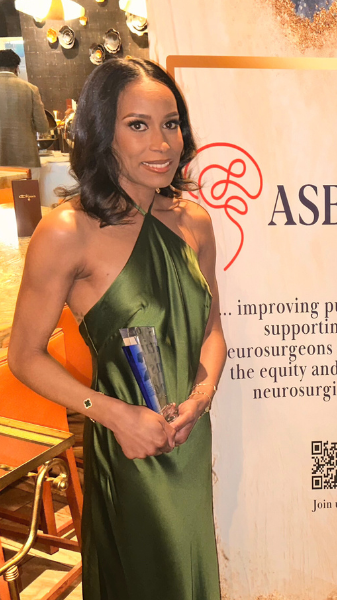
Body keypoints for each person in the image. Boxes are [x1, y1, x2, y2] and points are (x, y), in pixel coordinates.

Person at [8, 58, 225, 599]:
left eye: (170, 123)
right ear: (104, 132)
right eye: (137, 125)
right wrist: (114, 414)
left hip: (189, 439)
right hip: (127, 449)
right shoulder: (67, 231)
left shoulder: (194, 221)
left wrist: (200, 398)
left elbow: (213, 327)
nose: (161, 143)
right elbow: (25, 354)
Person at [0, 49, 49, 168]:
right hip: (25, 160)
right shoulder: (31, 89)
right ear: (17, 68)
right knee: (27, 187)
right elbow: (42, 126)